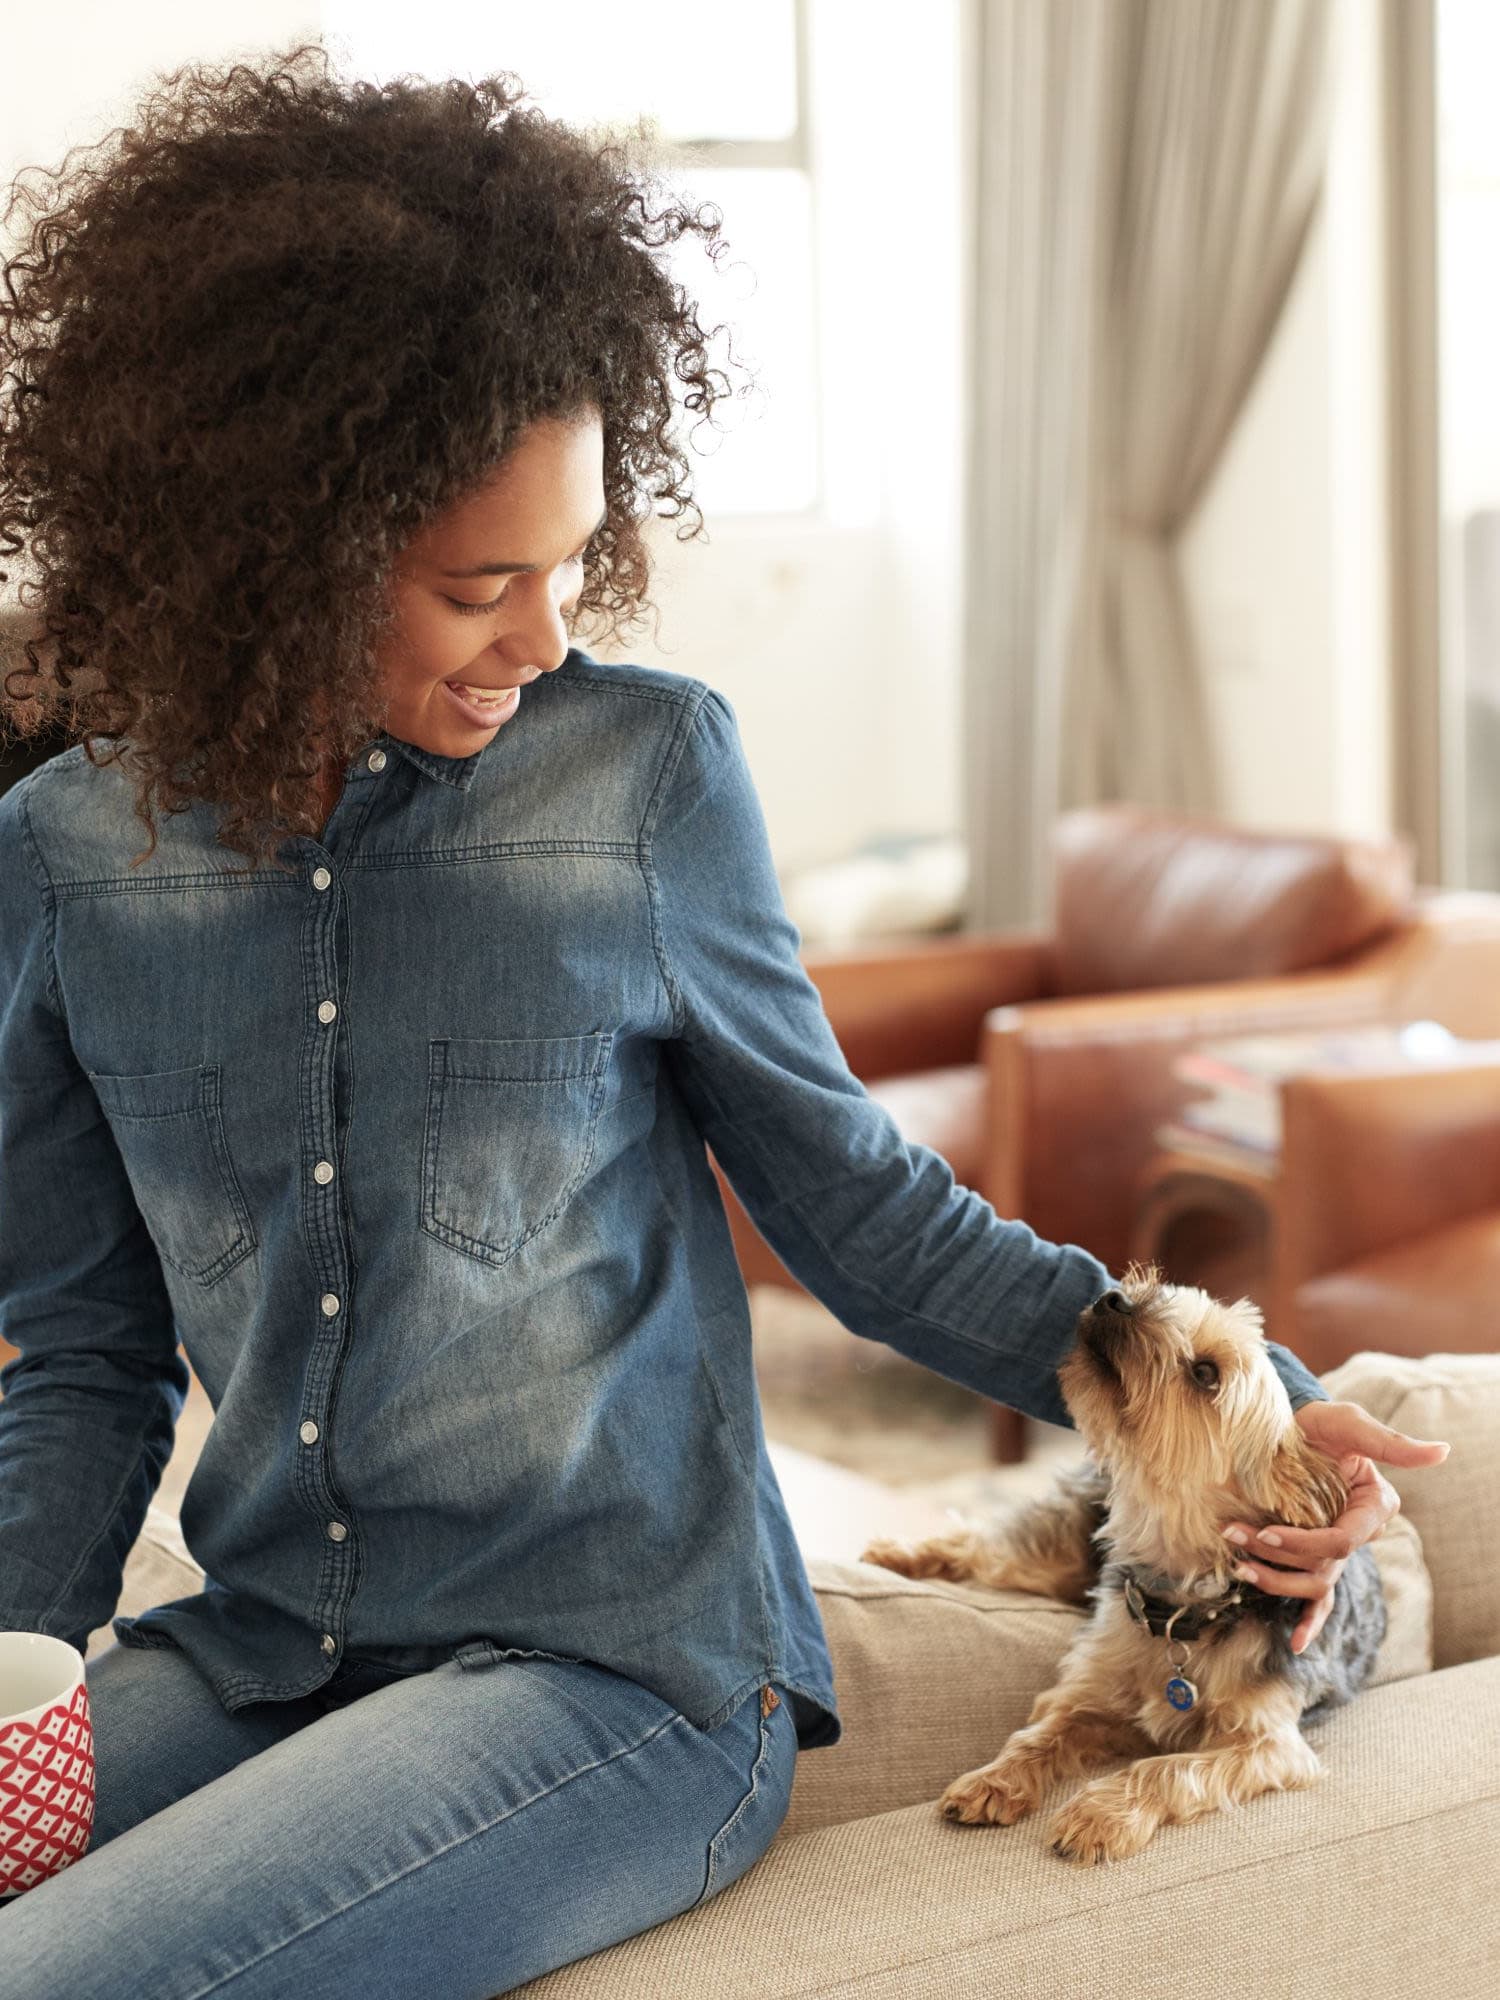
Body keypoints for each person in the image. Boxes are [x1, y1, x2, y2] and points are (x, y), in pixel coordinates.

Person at [0, 42, 1447, 1999]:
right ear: (272, 559)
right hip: (263, 1634)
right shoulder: (70, 855)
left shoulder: (649, 776)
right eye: (474, 582)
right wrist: (16, 1662)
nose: (547, 632)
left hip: (618, 1670)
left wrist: (1239, 1415)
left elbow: (856, 1205)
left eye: (574, 557)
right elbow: (84, 1347)